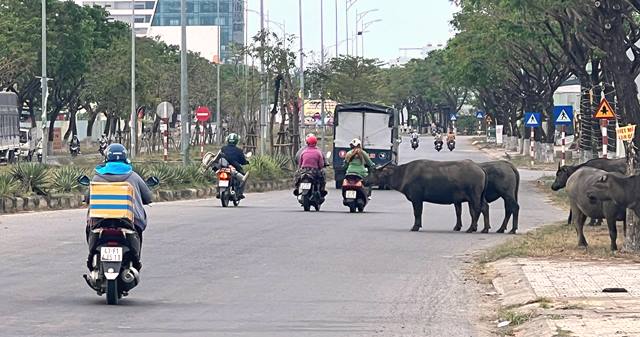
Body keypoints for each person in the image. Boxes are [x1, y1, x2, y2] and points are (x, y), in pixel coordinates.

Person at [87, 143, 153, 271]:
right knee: (138, 231)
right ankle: (136, 260)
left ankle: (91, 256)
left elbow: (88, 197)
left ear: (106, 158)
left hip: (100, 221)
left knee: (89, 227)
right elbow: (148, 197)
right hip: (128, 221)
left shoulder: (97, 177)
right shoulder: (133, 176)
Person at [220, 133, 249, 198]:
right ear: (236, 141)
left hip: (223, 167)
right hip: (235, 168)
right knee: (244, 177)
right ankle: (240, 193)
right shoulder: (239, 151)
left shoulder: (223, 148)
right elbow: (243, 161)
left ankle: (218, 190)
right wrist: (246, 162)